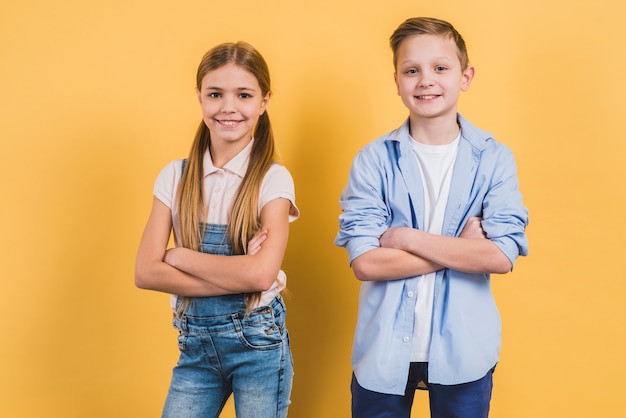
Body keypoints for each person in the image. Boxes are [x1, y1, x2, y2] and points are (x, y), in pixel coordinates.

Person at [334, 17, 529, 418]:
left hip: (465, 350)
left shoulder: (493, 158)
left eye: (440, 68)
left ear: (465, 76)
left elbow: (501, 255)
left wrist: (405, 237)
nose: (426, 80)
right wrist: (464, 248)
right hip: (382, 349)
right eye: (412, 70)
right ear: (397, 81)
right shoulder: (373, 160)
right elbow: (366, 263)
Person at [135, 41, 299, 418]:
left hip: (257, 344)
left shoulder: (272, 180)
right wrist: (239, 274)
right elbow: (145, 273)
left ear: (263, 101)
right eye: (215, 94)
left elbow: (260, 274)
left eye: (243, 94)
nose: (228, 107)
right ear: (199, 98)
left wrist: (178, 257)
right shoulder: (174, 177)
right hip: (196, 348)